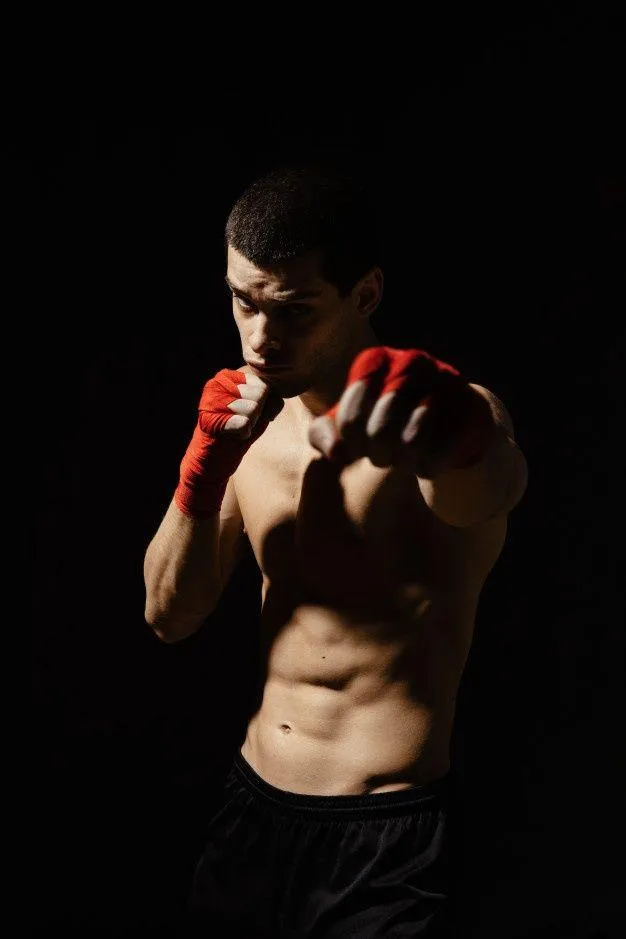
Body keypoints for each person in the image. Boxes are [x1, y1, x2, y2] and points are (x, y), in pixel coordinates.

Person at [143, 160, 528, 937]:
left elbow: (489, 488)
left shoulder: (439, 421)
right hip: (251, 813)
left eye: (292, 309)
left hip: (383, 844)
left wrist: (455, 432)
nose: (260, 336)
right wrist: (201, 469)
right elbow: (167, 614)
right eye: (243, 302)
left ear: (366, 294)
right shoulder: (245, 429)